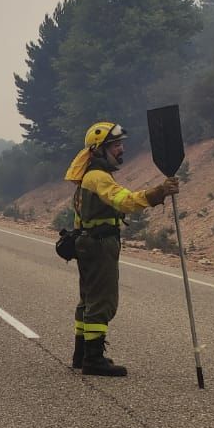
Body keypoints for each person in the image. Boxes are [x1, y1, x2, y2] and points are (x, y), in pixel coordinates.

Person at [63, 121, 179, 376]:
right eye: (115, 145)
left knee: (88, 300)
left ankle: (81, 355)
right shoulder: (98, 177)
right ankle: (94, 360)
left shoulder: (89, 176)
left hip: (88, 242)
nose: (121, 149)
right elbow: (124, 201)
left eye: (120, 144)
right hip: (99, 244)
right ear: (98, 150)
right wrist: (158, 192)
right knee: (102, 301)